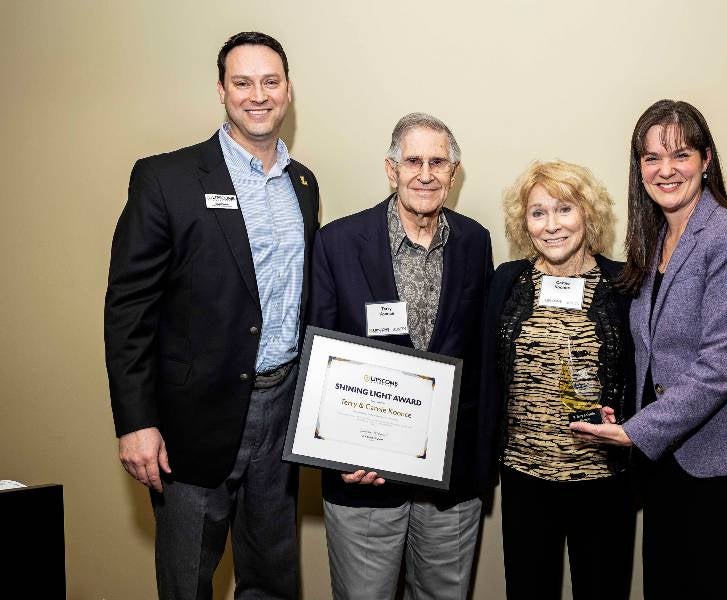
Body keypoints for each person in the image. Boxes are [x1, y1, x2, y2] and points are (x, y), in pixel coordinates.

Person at [569, 99, 727, 599]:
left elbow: (720, 367)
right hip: (674, 462)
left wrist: (634, 432)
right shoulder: (655, 237)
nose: (665, 170)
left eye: (679, 154)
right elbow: (654, 352)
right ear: (638, 168)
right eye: (650, 157)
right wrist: (626, 410)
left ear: (706, 160)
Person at [104, 32, 319, 599]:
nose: (257, 95)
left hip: (282, 412)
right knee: (187, 581)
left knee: (271, 578)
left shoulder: (303, 184)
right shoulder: (165, 179)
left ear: (288, 91)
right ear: (221, 91)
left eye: (270, 82)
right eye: (242, 82)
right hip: (190, 423)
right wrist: (135, 422)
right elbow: (129, 308)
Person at [307, 112, 493, 600]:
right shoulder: (337, 243)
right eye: (413, 161)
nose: (425, 174)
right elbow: (319, 353)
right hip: (364, 477)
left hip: (449, 481)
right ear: (391, 170)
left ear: (455, 173)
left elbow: (478, 357)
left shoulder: (475, 242)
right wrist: (340, 454)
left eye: (438, 162)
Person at [479, 160, 636, 599]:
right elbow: (487, 374)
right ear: (523, 222)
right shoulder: (506, 283)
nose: (552, 226)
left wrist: (622, 412)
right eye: (538, 212)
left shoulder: (624, 285)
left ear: (588, 213)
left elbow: (645, 375)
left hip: (602, 482)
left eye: (564, 209)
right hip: (525, 478)